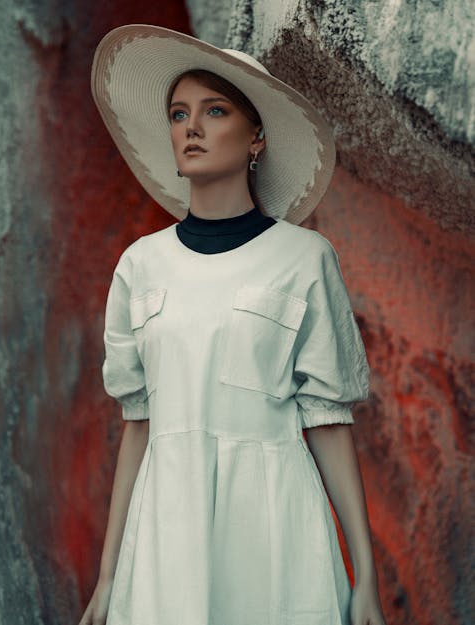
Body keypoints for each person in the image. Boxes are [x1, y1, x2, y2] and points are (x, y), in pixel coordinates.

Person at [79, 24, 387, 625]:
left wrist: (366, 577)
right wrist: (110, 576)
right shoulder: (141, 265)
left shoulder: (305, 258)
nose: (190, 127)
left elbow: (326, 421)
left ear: (256, 140)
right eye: (178, 113)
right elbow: (138, 425)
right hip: (167, 533)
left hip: (276, 530)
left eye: (214, 110)